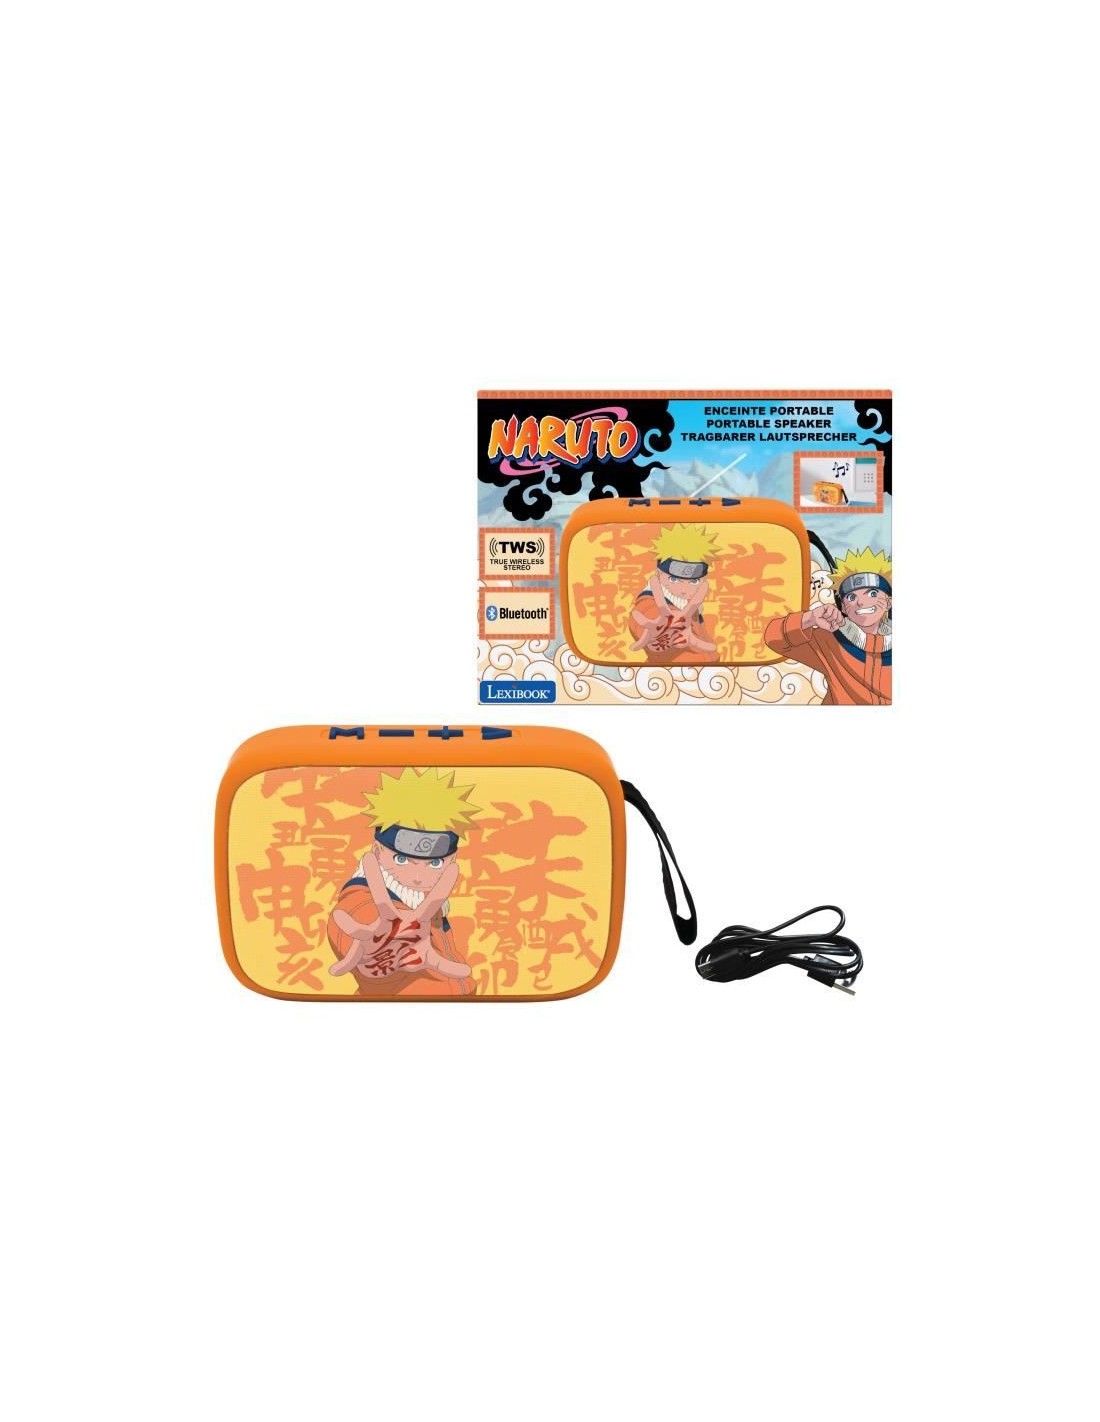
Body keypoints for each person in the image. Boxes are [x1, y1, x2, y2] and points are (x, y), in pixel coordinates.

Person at [327, 768, 481, 996]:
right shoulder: (365, 897)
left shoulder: (428, 902)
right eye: (401, 859)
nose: (418, 876)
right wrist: (376, 950)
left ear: (452, 860)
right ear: (377, 851)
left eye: (435, 863)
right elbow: (354, 917)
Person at [764, 547, 892, 705]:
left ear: (888, 602)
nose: (860, 602)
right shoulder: (829, 641)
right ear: (843, 607)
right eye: (851, 597)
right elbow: (773, 638)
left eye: (872, 593)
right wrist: (810, 618)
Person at [629, 526, 719, 663]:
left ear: (704, 579)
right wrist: (658, 632)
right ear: (659, 574)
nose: (684, 589)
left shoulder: (690, 605)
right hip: (671, 673)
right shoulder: (650, 602)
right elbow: (645, 616)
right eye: (673, 579)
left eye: (694, 581)